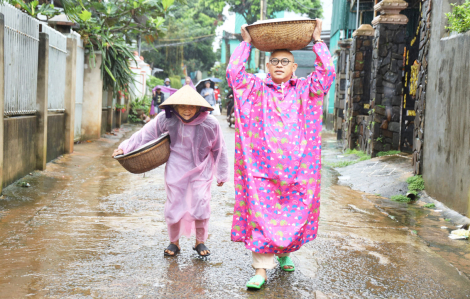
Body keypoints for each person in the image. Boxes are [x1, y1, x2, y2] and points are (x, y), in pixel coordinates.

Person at [226, 19, 335, 288]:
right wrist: (246, 44)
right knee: (262, 215)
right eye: (275, 61)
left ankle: (285, 252)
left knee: (293, 214)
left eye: (285, 62)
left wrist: (318, 43)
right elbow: (233, 74)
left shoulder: (306, 89)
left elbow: (327, 73)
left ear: (294, 66)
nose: (279, 65)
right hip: (261, 169)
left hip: (300, 169)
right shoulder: (255, 88)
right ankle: (261, 272)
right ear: (267, 65)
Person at [113, 86, 229, 257]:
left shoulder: (210, 123)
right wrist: (124, 148)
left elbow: (220, 148)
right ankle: (174, 242)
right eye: (182, 106)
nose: (187, 110)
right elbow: (145, 134)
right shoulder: (167, 119)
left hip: (201, 168)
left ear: (199, 107)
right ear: (174, 107)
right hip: (176, 165)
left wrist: (222, 173)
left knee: (201, 201)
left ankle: (200, 242)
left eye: (191, 106)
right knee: (175, 203)